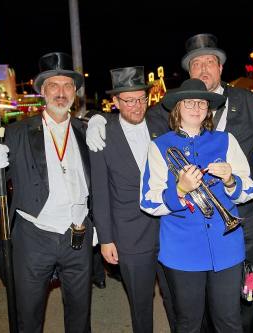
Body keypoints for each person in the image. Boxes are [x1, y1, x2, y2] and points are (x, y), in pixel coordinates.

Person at [86, 33, 253, 332]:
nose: (204, 69)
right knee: (192, 312)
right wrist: (98, 118)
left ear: (220, 67)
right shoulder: (165, 115)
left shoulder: (246, 101)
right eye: (196, 64)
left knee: (243, 298)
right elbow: (132, 115)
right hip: (186, 234)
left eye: (210, 62)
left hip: (241, 223)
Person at [0, 52, 93, 333]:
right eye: (53, 86)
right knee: (28, 316)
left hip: (78, 235)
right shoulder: (17, 132)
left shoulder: (86, 130)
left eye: (67, 86)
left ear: (75, 93)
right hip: (34, 237)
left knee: (80, 314)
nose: (61, 92)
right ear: (42, 91)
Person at [140, 78, 253, 333]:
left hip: (226, 246)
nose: (196, 107)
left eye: (202, 102)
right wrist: (179, 190)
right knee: (189, 323)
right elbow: (148, 201)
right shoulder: (159, 146)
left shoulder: (226, 141)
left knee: (229, 321)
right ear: (177, 109)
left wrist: (230, 179)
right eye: (188, 102)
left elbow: (248, 190)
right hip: (182, 251)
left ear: (208, 109)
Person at [90, 66, 172, 333]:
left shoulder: (161, 124)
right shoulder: (103, 133)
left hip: (171, 230)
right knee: (141, 305)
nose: (137, 107)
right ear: (115, 102)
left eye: (141, 99)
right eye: (129, 100)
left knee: (178, 299)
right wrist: (105, 239)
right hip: (130, 237)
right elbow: (100, 192)